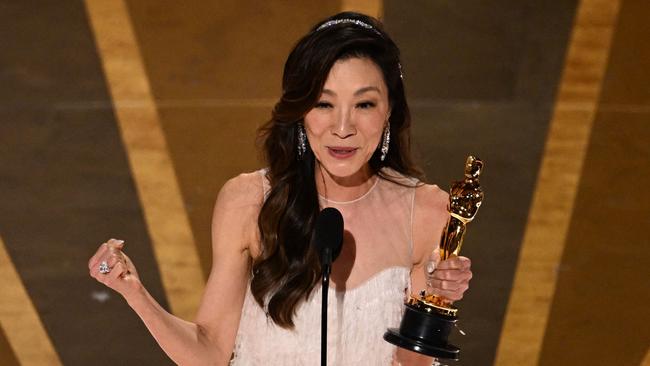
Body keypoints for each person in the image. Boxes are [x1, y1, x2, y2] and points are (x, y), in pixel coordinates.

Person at [88, 12, 472, 365]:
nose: (342, 127)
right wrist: (135, 293)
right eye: (323, 103)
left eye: (364, 105)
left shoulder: (427, 213)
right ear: (300, 110)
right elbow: (209, 351)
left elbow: (411, 365)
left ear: (389, 110)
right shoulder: (250, 203)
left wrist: (437, 307)